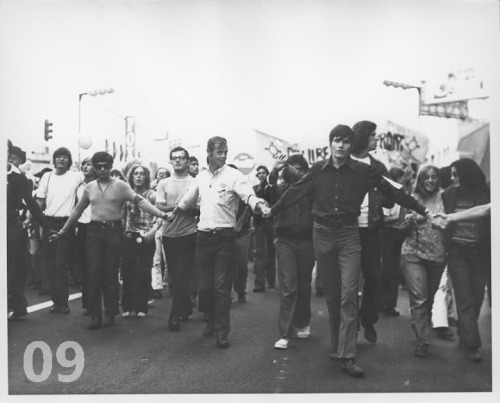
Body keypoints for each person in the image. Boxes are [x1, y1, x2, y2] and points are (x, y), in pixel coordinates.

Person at [263, 124, 437, 378]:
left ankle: (347, 354)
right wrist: (272, 211)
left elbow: (393, 191)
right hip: (321, 235)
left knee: (348, 295)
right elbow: (295, 193)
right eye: (337, 141)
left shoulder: (364, 171)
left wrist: (426, 211)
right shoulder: (316, 170)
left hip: (348, 235)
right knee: (334, 297)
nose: (341, 146)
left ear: (350, 144)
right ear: (331, 143)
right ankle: (338, 345)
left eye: (346, 141)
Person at [167, 136, 267, 348]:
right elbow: (186, 202)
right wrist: (170, 215)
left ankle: (222, 331)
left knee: (222, 287)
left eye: (225, 151)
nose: (223, 155)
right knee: (205, 287)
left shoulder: (233, 175)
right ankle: (210, 321)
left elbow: (249, 195)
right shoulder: (201, 177)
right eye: (219, 152)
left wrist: (260, 205)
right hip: (203, 237)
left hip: (224, 237)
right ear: (209, 153)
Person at [49, 152, 168, 330]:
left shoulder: (120, 186)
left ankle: (111, 313)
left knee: (110, 274)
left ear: (111, 166)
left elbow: (141, 202)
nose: (103, 169)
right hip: (94, 232)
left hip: (113, 232)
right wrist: (62, 231)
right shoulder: (89, 187)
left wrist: (161, 214)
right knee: (94, 273)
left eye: (106, 166)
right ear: (95, 168)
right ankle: (96, 315)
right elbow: (76, 211)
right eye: (99, 166)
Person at [262, 153, 315, 350]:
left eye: (301, 169)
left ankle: (303, 322)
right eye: (293, 168)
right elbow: (264, 191)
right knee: (288, 286)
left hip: (307, 240)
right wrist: (275, 169)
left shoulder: (311, 190)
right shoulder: (280, 189)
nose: (297, 173)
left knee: (304, 285)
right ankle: (286, 332)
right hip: (285, 241)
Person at [441, 158, 490, 362]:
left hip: (480, 252)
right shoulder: (447, 195)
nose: (452, 178)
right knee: (464, 297)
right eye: (451, 174)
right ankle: (472, 345)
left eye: (456, 174)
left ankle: (466, 332)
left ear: (467, 174)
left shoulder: (486, 196)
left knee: (478, 296)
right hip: (457, 252)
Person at [351, 120, 394, 343]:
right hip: (347, 231)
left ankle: (368, 319)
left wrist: (380, 197)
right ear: (362, 137)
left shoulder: (378, 166)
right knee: (348, 281)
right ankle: (349, 325)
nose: (377, 138)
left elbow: (390, 198)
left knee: (375, 278)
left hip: (372, 230)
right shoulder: (345, 162)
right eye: (373, 135)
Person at [400, 165, 446, 358]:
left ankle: (420, 323)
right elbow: (401, 224)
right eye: (426, 177)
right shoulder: (412, 198)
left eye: (433, 177)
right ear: (420, 180)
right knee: (419, 298)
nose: (430, 180)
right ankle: (423, 340)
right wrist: (409, 220)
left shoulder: (444, 197)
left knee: (428, 298)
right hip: (413, 253)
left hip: (437, 255)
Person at [7, 140, 54, 321]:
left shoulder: (18, 177)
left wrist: (47, 227)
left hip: (11, 225)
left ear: (9, 154)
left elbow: (32, 203)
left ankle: (17, 306)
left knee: (13, 270)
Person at [36, 147, 83, 315]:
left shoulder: (76, 176)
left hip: (66, 224)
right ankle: (55, 302)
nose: (61, 159)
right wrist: (30, 218)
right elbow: (40, 201)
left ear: (69, 161)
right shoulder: (46, 177)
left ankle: (63, 303)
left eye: (65, 157)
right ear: (54, 160)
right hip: (48, 223)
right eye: (58, 157)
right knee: (50, 264)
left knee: (60, 264)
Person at [156, 147, 199, 331]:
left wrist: (189, 208)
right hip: (168, 234)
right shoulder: (164, 183)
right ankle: (187, 305)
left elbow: (200, 208)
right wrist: (180, 206)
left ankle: (174, 316)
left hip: (189, 233)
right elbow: (160, 206)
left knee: (183, 275)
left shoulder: (195, 183)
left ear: (187, 161)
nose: (178, 161)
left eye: (182, 158)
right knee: (175, 275)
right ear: (170, 161)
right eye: (174, 158)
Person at [121, 164, 162, 318]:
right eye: (135, 174)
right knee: (127, 272)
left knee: (143, 272)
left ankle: (141, 307)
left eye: (141, 174)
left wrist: (153, 231)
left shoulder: (152, 194)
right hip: (130, 236)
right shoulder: (127, 194)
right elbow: (123, 216)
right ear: (131, 176)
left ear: (146, 177)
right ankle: (127, 306)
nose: (138, 176)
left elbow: (160, 216)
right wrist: (123, 232)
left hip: (147, 236)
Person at [378, 167, 406, 317]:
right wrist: (401, 217)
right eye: (401, 178)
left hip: (398, 234)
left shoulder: (401, 194)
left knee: (395, 270)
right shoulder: (388, 195)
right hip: (387, 234)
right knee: (387, 269)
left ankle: (390, 304)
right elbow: (384, 219)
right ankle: (379, 301)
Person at [74, 157, 97, 315]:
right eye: (83, 164)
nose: (84, 166)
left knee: (95, 268)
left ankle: (97, 304)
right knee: (84, 266)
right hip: (82, 227)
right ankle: (88, 304)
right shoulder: (78, 185)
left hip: (97, 226)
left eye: (88, 164)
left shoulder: (100, 184)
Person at [253, 165, 276, 292]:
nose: (261, 175)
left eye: (263, 173)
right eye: (259, 173)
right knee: (259, 253)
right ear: (257, 175)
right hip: (259, 223)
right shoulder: (254, 189)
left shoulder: (272, 188)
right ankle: (259, 283)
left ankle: (271, 281)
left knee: (271, 252)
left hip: (271, 222)